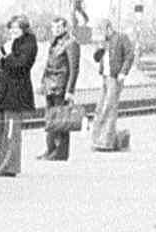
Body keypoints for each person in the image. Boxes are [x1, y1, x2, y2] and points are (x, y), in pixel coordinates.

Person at [0, 15, 38, 176]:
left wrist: (6, 55)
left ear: (24, 29)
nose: (13, 32)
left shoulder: (29, 44)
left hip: (16, 92)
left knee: (11, 131)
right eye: (11, 29)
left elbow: (21, 64)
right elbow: (5, 61)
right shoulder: (11, 44)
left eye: (16, 29)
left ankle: (9, 167)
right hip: (2, 90)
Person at [39, 12, 83, 161]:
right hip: (51, 85)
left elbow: (74, 68)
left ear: (65, 27)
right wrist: (42, 82)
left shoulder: (71, 43)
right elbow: (47, 64)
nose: (56, 30)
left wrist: (70, 90)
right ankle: (50, 149)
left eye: (59, 27)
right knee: (51, 119)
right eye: (54, 27)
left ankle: (60, 152)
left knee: (62, 120)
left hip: (61, 86)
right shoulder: (54, 43)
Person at [91, 17, 135, 149]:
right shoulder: (104, 42)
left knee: (110, 108)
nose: (101, 34)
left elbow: (130, 55)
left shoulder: (121, 38)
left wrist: (123, 72)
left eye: (102, 31)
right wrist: (100, 48)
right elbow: (96, 58)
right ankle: (98, 139)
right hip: (104, 77)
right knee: (100, 108)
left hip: (115, 78)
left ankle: (107, 142)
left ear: (109, 28)